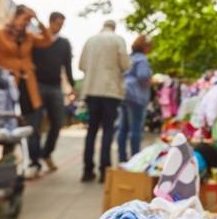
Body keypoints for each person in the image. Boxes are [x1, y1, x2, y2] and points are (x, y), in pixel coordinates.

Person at [0, 5, 53, 178]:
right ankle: (0, 161)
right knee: (5, 121)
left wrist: (38, 20)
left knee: (32, 127)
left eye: (29, 20)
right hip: (6, 86)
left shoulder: (30, 36)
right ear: (15, 17)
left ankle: (33, 162)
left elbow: (47, 41)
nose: (26, 23)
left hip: (28, 87)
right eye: (25, 19)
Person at [79, 20, 131, 183]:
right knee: (108, 130)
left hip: (92, 90)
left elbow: (81, 65)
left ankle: (87, 170)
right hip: (110, 91)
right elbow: (126, 64)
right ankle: (104, 169)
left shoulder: (91, 40)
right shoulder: (118, 40)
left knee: (91, 131)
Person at [32, 11, 75, 172]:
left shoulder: (64, 43)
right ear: (50, 22)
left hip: (55, 86)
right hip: (37, 85)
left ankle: (46, 153)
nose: (59, 27)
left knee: (58, 121)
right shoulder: (37, 39)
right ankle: (33, 160)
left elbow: (67, 65)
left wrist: (71, 86)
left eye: (62, 24)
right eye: (58, 23)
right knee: (35, 123)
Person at [117, 34, 153, 163]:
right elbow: (143, 76)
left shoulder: (130, 58)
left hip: (124, 94)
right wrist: (151, 82)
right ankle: (135, 159)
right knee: (136, 129)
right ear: (145, 47)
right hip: (137, 96)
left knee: (123, 129)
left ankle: (122, 158)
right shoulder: (142, 60)